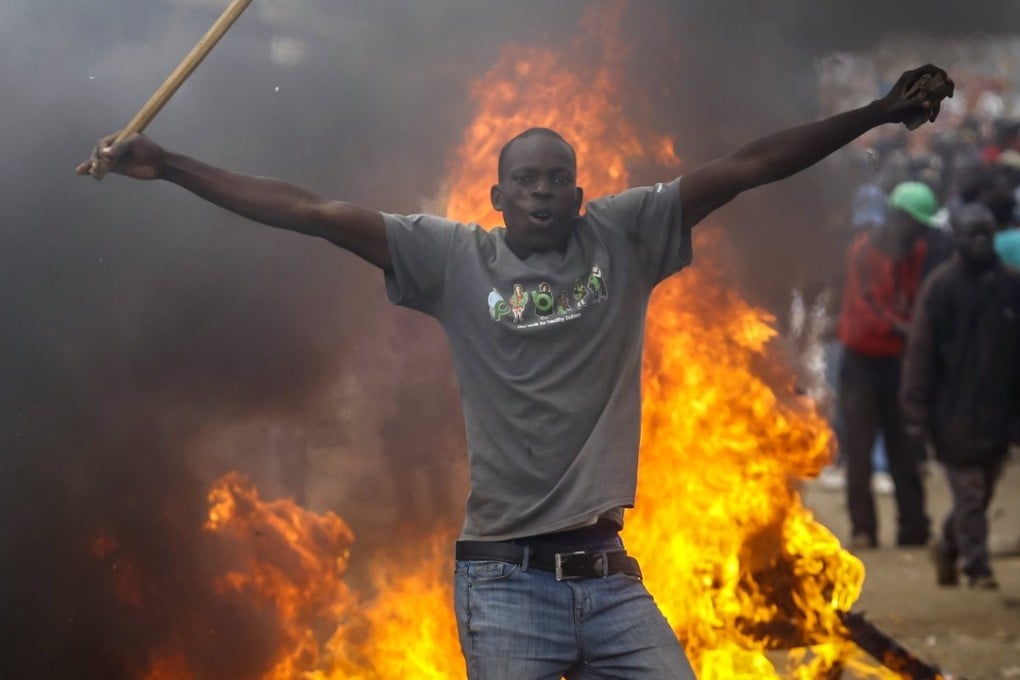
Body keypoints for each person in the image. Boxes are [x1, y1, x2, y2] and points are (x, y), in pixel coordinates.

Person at [78, 64, 952, 679]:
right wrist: (174, 169)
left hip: (611, 580)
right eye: (524, 181)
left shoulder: (626, 234)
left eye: (556, 180)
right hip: (503, 584)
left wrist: (874, 113)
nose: (541, 192)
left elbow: (750, 166)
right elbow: (310, 211)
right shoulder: (450, 259)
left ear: (579, 194)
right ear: (495, 198)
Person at [901, 204, 1020, 590]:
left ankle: (949, 545)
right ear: (958, 237)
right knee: (969, 495)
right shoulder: (941, 286)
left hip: (997, 414)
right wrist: (915, 412)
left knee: (980, 495)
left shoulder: (1011, 286)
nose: (980, 241)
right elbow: (921, 353)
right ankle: (976, 567)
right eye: (972, 234)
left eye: (986, 233)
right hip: (951, 415)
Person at [835, 181, 939, 550]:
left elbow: (912, 297)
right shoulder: (863, 251)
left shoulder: (916, 249)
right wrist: (906, 328)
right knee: (860, 452)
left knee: (904, 448)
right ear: (899, 218)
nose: (921, 233)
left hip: (895, 361)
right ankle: (864, 530)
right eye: (917, 224)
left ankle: (914, 528)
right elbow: (867, 305)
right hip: (861, 363)